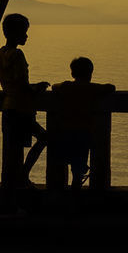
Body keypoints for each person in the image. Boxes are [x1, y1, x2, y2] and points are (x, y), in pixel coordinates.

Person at [0, 13, 48, 187]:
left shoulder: (1, 53)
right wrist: (38, 87)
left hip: (8, 107)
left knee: (12, 154)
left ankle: (17, 183)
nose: (26, 35)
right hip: (21, 109)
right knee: (45, 138)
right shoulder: (18, 55)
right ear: (15, 33)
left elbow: (13, 83)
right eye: (24, 32)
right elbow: (23, 86)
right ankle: (23, 176)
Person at [50, 56, 115, 189]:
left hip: (65, 132)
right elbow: (110, 88)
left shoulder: (66, 86)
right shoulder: (92, 88)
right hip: (84, 133)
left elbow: (54, 87)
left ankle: (60, 196)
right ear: (90, 73)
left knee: (62, 164)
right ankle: (77, 188)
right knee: (78, 167)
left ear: (72, 73)